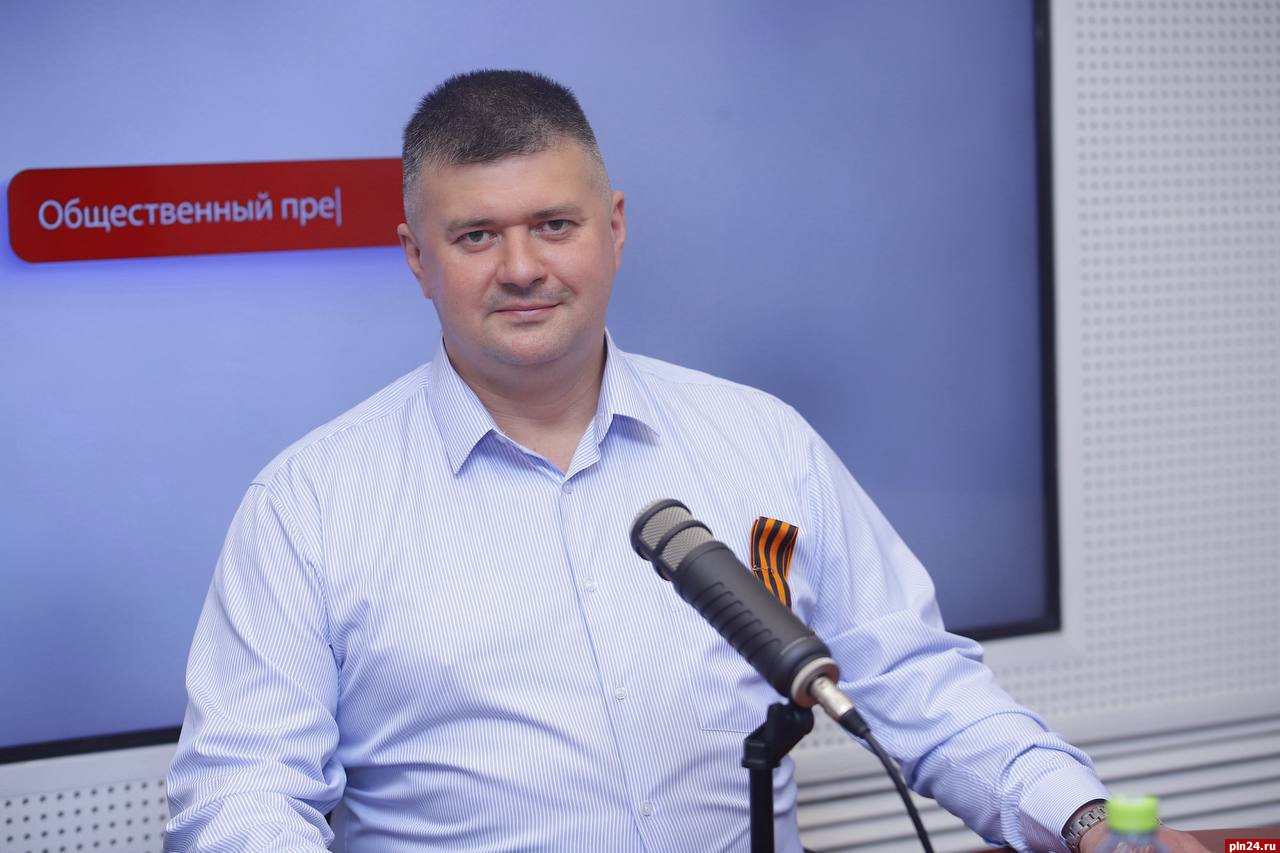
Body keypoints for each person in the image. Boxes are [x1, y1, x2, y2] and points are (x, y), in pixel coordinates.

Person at [166, 70, 1208, 853]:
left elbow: (912, 678)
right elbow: (243, 791)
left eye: (554, 225)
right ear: (415, 257)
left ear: (613, 229)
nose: (522, 267)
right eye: (476, 235)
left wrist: (1082, 820)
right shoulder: (310, 502)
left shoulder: (760, 439)